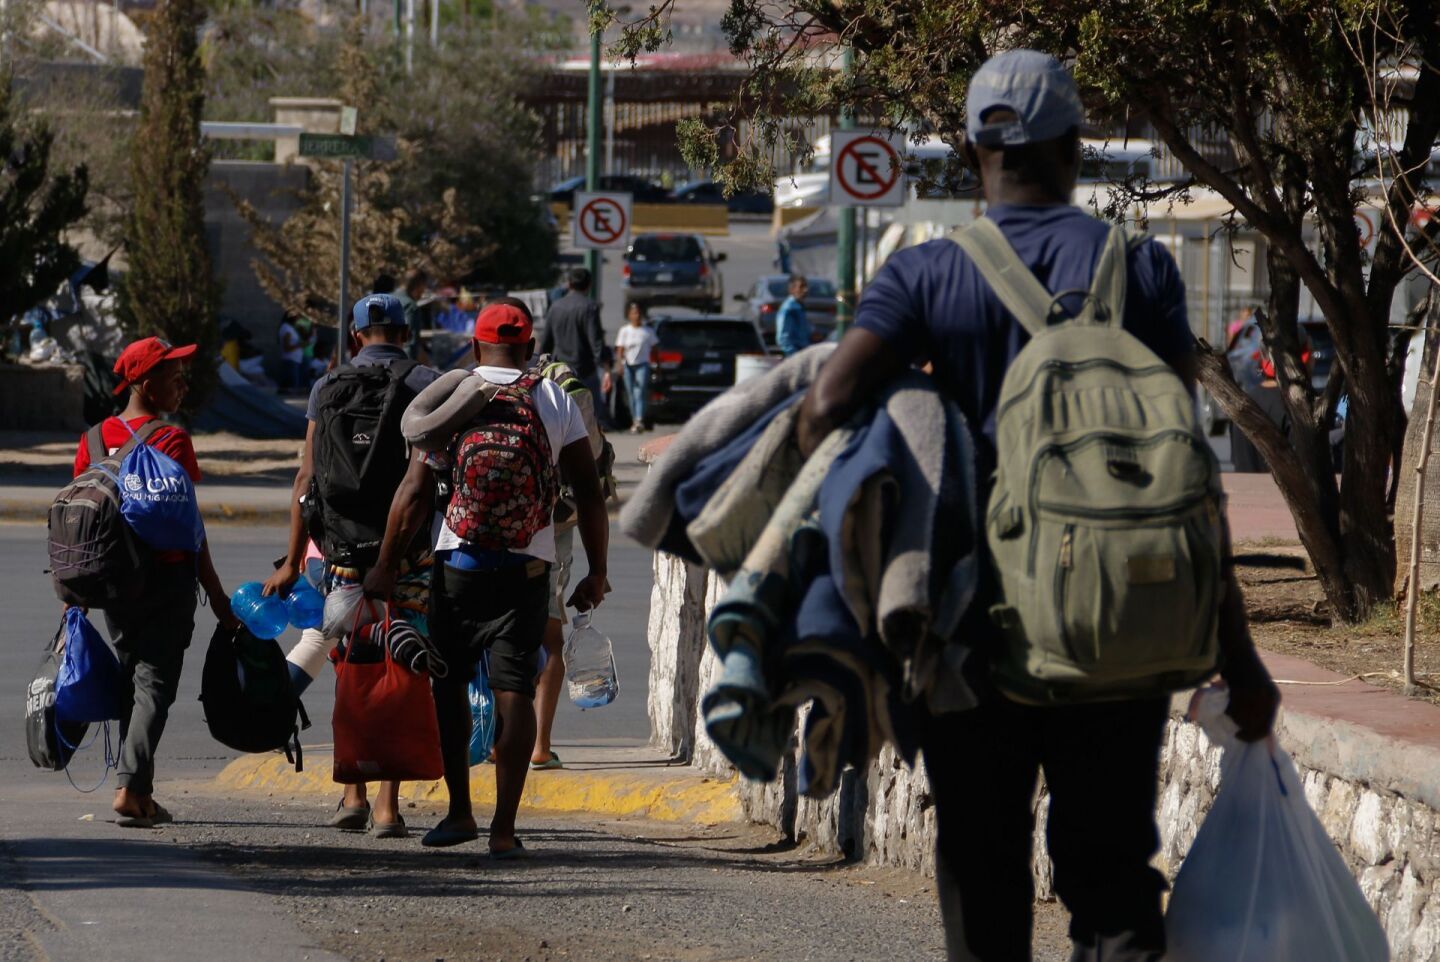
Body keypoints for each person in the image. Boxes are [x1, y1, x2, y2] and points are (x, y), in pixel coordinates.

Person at [792, 50, 1281, 962]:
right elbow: (1183, 473)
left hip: (974, 643)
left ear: (974, 149)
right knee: (1114, 882)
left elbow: (824, 407)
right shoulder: (1140, 271)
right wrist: (1238, 655)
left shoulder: (925, 275)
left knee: (982, 869)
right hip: (1118, 632)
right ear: (1074, 146)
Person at [363, 298, 610, 857]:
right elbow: (589, 492)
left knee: (448, 686)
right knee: (514, 693)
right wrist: (596, 571)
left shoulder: (456, 394)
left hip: (458, 567)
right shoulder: (550, 396)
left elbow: (413, 492)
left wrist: (385, 562)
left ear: (476, 346)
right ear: (528, 347)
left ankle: (458, 812)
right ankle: (504, 830)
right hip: (528, 570)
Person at [261, 293, 441, 839]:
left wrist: (293, 560)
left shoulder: (327, 386)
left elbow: (305, 480)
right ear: (404, 332)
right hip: (407, 553)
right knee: (402, 670)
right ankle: (389, 806)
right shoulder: (428, 382)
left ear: (356, 334)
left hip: (339, 556)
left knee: (350, 669)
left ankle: (352, 794)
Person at [71, 336, 238, 828]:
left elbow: (82, 518)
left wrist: (75, 596)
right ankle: (128, 789)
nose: (182, 383)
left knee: (132, 681)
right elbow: (190, 527)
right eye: (173, 375)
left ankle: (141, 793)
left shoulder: (93, 440)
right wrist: (215, 591)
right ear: (146, 384)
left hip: (113, 582)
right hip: (166, 579)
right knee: (155, 686)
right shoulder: (171, 440)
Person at [539, 268, 608, 404]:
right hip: (585, 372)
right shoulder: (590, 307)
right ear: (589, 285)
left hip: (560, 373)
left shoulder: (555, 307)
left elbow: (546, 342)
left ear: (569, 284)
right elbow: (596, 343)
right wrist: (606, 368)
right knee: (589, 418)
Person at [613, 302, 659, 433]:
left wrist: (657, 365)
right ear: (629, 315)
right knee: (631, 393)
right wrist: (619, 364)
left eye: (638, 313)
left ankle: (639, 419)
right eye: (634, 313)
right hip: (628, 365)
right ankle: (635, 420)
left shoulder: (647, 331)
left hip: (643, 365)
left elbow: (655, 349)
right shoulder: (625, 331)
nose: (637, 315)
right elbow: (620, 350)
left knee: (639, 392)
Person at [775, 275, 811, 357]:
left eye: (806, 286)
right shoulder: (789, 308)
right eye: (801, 287)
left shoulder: (799, 306)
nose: (806, 290)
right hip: (795, 356)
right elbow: (783, 338)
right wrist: (794, 356)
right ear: (792, 290)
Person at [276, 311, 308, 394]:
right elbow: (287, 347)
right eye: (297, 317)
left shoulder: (290, 328)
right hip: (290, 360)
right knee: (292, 386)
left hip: (294, 360)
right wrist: (300, 345)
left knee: (291, 384)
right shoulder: (286, 328)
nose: (298, 319)